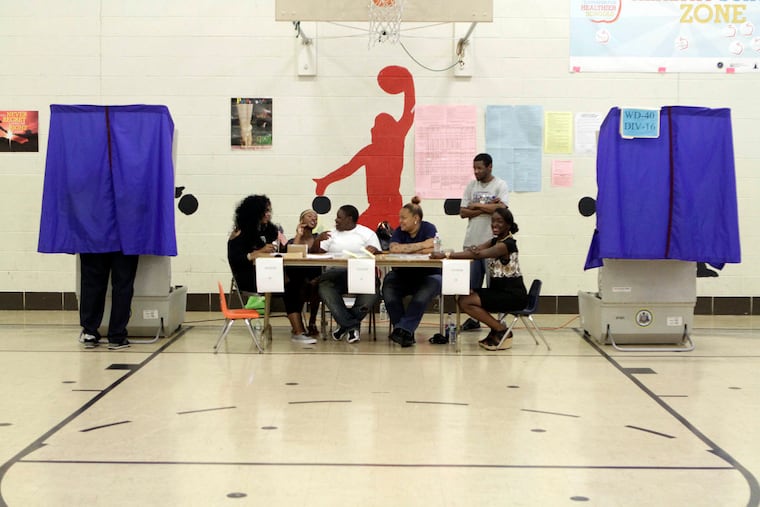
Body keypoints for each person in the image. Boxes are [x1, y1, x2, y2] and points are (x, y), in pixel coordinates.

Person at [313, 65, 415, 229]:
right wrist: (325, 181)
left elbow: (410, 111)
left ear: (386, 130)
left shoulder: (396, 140)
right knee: (355, 232)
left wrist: (408, 82)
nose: (372, 130)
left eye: (376, 127)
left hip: (392, 205)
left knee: (395, 237)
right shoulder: (370, 151)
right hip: (376, 206)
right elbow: (347, 169)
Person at [431, 208, 527, 351]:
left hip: (512, 294)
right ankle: (497, 328)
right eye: (493, 221)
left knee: (465, 301)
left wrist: (447, 255)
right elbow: (473, 252)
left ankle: (501, 329)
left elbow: (479, 255)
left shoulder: (506, 245)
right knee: (463, 296)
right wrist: (471, 250)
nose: (494, 224)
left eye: (499, 221)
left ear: (508, 225)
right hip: (498, 291)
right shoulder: (495, 240)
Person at [227, 195, 316, 344]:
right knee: (290, 285)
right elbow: (237, 259)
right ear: (254, 212)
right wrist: (259, 252)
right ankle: (298, 330)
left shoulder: (268, 230)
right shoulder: (239, 233)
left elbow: (285, 251)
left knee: (298, 280)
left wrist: (297, 236)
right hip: (248, 277)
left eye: (269, 210)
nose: (269, 214)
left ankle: (298, 329)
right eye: (265, 211)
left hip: (269, 273)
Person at [313, 204, 382, 344]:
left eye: (339, 217)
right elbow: (316, 254)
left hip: (362, 274)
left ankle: (345, 325)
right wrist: (318, 240)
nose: (336, 220)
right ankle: (351, 326)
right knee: (324, 287)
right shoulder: (330, 234)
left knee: (373, 291)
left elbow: (378, 254)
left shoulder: (367, 234)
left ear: (349, 219)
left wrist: (374, 250)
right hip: (335, 276)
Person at [459, 152, 510, 331]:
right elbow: (463, 212)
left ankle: (497, 322)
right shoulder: (471, 186)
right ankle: (474, 319)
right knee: (472, 286)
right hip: (472, 242)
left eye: (480, 168)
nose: (476, 171)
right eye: (474, 168)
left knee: (494, 285)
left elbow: (502, 209)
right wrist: (488, 207)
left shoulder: (500, 185)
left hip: (491, 245)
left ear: (490, 167)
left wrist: (477, 205)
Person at [382, 197, 441, 348]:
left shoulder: (429, 228)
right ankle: (405, 333)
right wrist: (422, 246)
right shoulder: (399, 232)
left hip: (429, 275)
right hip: (403, 275)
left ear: (416, 219)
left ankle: (402, 330)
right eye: (399, 218)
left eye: (403, 218)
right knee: (388, 288)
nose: (400, 221)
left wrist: (407, 248)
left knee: (421, 297)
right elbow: (393, 249)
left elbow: (434, 248)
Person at [78, 252, 139, 350]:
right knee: (122, 284)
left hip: (94, 239)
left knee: (92, 281)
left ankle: (90, 333)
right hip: (124, 240)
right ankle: (117, 336)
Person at [283, 209, 322, 341]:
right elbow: (292, 254)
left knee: (315, 284)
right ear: (301, 220)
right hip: (296, 277)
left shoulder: (318, 238)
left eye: (315, 217)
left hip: (314, 276)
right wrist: (299, 234)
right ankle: (298, 327)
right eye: (309, 216)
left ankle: (312, 322)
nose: (313, 219)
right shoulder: (293, 240)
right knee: (296, 286)